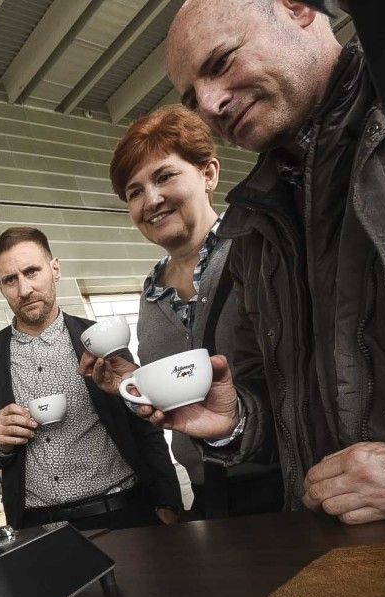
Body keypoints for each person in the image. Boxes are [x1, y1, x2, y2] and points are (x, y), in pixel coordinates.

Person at [88, 0, 385, 524]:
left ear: (299, 9)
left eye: (220, 62)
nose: (210, 105)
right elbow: (283, 406)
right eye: (193, 96)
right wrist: (234, 420)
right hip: (335, 546)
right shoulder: (259, 225)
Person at [92, 104, 283, 518]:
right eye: (134, 191)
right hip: (208, 491)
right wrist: (132, 383)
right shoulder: (151, 294)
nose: (152, 200)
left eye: (164, 177)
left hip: (287, 478)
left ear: (209, 174)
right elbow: (177, 402)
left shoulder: (259, 249)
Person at [0, 227, 183, 531]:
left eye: (32, 271)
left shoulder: (101, 339)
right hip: (36, 527)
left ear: (55, 269)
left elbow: (144, 424)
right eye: (10, 280)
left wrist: (169, 503)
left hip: (123, 512)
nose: (24, 289)